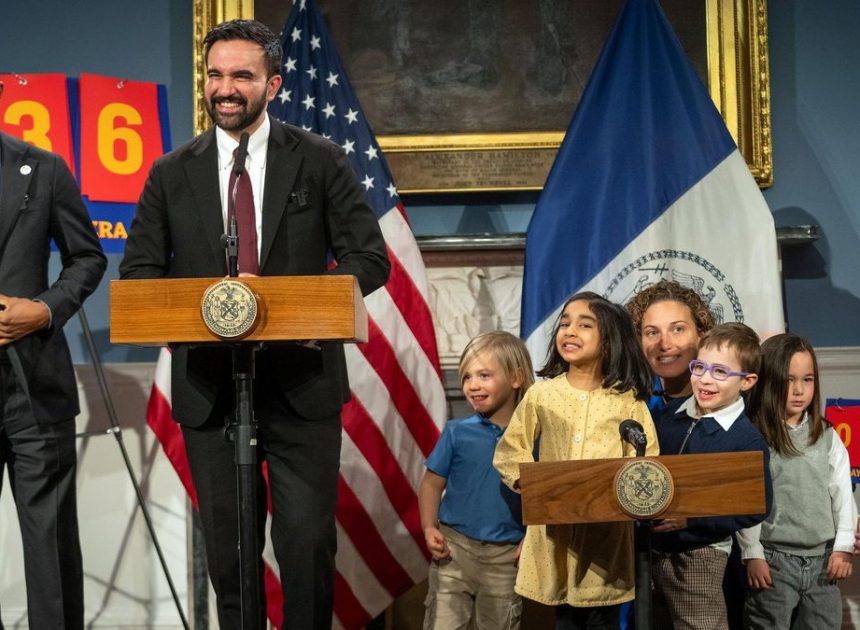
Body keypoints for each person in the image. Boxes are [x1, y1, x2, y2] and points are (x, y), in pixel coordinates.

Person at [118, 20, 390, 629]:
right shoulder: (170, 172)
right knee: (230, 558)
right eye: (215, 75)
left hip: (301, 385)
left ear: (272, 83)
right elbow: (138, 275)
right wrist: (200, 309)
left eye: (241, 75)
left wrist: (296, 305)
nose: (226, 89)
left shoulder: (318, 160)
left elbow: (368, 259)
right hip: (211, 392)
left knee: (306, 550)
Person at [0, 81, 107, 628]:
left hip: (34, 386)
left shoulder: (41, 168)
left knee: (51, 545)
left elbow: (86, 258)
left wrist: (43, 310)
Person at [493, 292, 658, 630]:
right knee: (564, 619)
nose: (570, 331)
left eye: (585, 325)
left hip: (605, 541)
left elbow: (647, 461)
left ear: (609, 341)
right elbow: (512, 449)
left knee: (602, 618)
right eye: (565, 323)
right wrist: (532, 486)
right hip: (555, 536)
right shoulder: (542, 394)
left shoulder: (627, 402)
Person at [651, 322, 773, 629]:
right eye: (699, 367)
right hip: (650, 551)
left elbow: (756, 507)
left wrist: (691, 518)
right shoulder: (668, 416)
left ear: (747, 381)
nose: (705, 379)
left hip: (700, 555)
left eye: (720, 372)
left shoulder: (746, 440)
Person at [738, 334, 855, 629]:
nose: (799, 390)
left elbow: (842, 494)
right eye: (789, 380)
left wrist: (842, 548)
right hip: (774, 561)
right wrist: (752, 554)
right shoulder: (755, 437)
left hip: (823, 563)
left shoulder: (826, 435)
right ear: (769, 380)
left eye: (808, 379)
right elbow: (748, 501)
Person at [420, 331, 534, 630]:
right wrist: (429, 526)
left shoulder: (534, 437)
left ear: (516, 378)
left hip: (506, 558)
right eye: (467, 376)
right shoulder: (457, 432)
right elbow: (432, 483)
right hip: (453, 551)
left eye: (484, 375)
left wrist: (533, 535)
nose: (473, 385)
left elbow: (544, 495)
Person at [626, 279, 717, 410]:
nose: (665, 344)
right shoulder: (628, 402)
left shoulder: (728, 399)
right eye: (652, 332)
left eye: (678, 329)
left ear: (701, 334)